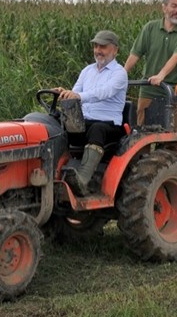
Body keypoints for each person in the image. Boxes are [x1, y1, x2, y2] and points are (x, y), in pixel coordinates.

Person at [54, 30, 128, 196]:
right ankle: (52, 172)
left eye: (103, 46)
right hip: (85, 121)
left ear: (115, 50)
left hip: (109, 125)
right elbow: (75, 92)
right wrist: (63, 93)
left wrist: (78, 96)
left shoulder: (119, 73)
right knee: (55, 122)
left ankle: (82, 179)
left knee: (97, 129)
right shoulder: (87, 70)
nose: (98, 50)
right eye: (96, 46)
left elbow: (104, 92)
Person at [124, 0, 177, 130]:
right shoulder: (150, 28)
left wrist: (161, 76)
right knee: (142, 129)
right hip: (149, 88)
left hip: (174, 89)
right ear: (164, 8)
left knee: (174, 132)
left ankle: (172, 151)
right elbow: (136, 53)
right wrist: (122, 74)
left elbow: (176, 57)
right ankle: (144, 152)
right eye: (174, 6)